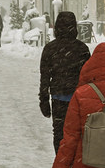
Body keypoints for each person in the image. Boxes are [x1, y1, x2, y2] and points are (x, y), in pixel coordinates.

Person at [38, 11, 91, 154]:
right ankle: (75, 166)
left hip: (58, 98)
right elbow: (88, 77)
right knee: (78, 133)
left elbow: (45, 77)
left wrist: (44, 99)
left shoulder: (50, 48)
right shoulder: (82, 49)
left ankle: (61, 165)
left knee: (59, 133)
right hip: (78, 99)